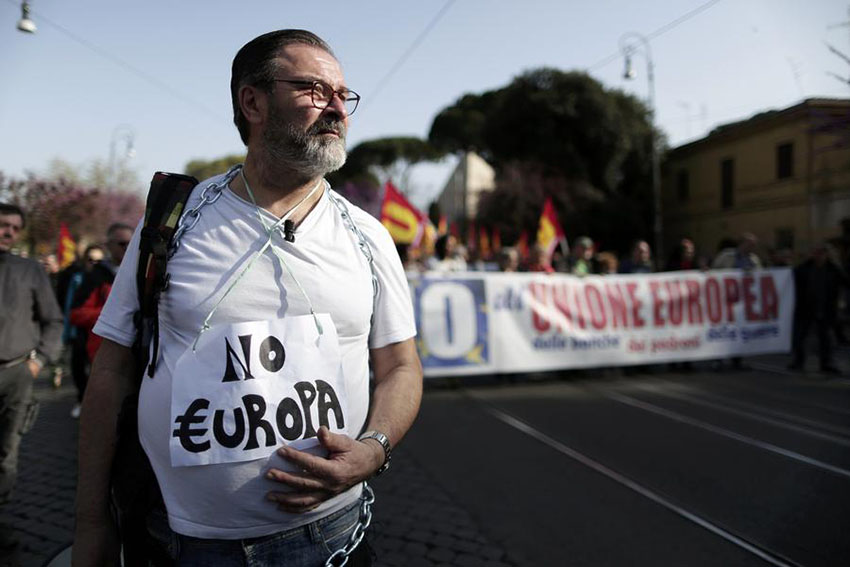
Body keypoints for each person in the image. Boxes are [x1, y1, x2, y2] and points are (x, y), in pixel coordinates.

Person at [73, 29, 423, 566]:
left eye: (342, 95)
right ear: (252, 100)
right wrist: (91, 521)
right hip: (181, 541)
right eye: (312, 89)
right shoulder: (174, 221)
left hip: (331, 538)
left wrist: (373, 449)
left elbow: (401, 366)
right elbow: (113, 369)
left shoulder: (368, 235)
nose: (336, 109)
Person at [0, 203, 63, 550]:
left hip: (16, 372)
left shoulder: (29, 271)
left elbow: (53, 320)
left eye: (14, 227)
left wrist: (39, 361)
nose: (8, 231)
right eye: (2, 225)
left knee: (6, 449)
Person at [69, 223, 133, 367]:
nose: (127, 248)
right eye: (122, 243)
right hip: (102, 354)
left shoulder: (144, 273)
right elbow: (76, 314)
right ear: (108, 245)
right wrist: (114, 314)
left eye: (132, 243)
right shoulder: (96, 276)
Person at [789, 243, 849, 374]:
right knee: (800, 336)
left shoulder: (834, 269)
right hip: (806, 308)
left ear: (826, 254)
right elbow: (788, 279)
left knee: (826, 338)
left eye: (821, 252)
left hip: (826, 308)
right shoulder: (803, 268)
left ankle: (826, 363)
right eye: (816, 252)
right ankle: (798, 361)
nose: (818, 255)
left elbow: (846, 283)